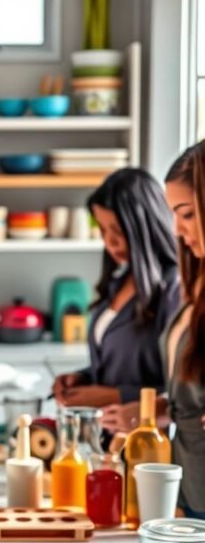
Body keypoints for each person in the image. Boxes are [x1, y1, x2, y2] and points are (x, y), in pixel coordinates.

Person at [102, 142, 205, 517]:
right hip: (189, 489)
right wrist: (159, 408)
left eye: (188, 214)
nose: (177, 229)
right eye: (174, 214)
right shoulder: (196, 284)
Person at [53, 167, 180, 408]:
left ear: (146, 227)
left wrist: (114, 397)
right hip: (110, 437)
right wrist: (84, 377)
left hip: (149, 441)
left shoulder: (174, 288)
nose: (110, 242)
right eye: (102, 230)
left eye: (119, 231)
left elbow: (182, 393)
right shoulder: (119, 280)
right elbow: (123, 368)